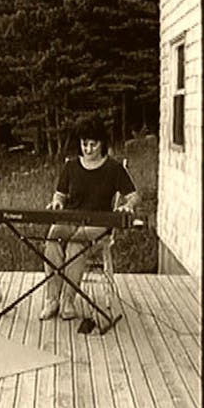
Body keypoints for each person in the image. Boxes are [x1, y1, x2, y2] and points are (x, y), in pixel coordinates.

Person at [39, 117, 139, 320]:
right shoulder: (71, 166)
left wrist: (128, 206)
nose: (88, 148)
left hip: (99, 223)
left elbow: (134, 195)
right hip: (71, 218)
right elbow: (60, 194)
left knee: (77, 244)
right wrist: (57, 202)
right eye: (84, 144)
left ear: (102, 143)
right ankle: (52, 300)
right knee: (53, 237)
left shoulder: (113, 168)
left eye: (93, 144)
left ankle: (68, 301)